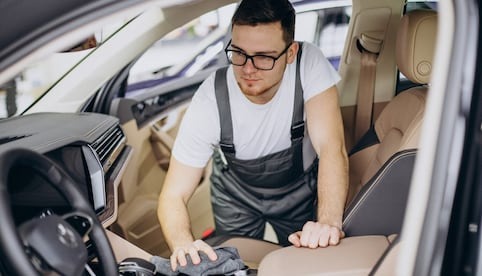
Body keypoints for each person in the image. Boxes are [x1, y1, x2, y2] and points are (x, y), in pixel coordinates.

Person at [158, 0, 348, 270]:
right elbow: (173, 194)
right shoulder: (211, 96)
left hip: (297, 189)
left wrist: (327, 223)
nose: (248, 69)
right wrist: (182, 244)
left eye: (264, 57)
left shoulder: (309, 63)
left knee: (304, 263)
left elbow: (332, 148)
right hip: (235, 195)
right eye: (238, 53)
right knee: (234, 264)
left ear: (291, 52)